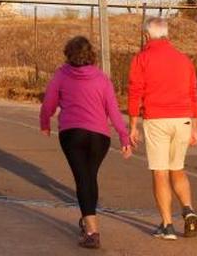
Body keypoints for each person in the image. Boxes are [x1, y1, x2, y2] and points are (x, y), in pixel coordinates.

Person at [39, 36, 131, 250]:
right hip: (100, 137)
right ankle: (87, 220)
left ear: (68, 53)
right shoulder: (102, 78)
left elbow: (48, 104)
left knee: (83, 179)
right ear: (91, 54)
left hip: (72, 134)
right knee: (90, 177)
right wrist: (124, 137)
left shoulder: (61, 75)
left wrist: (45, 123)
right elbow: (113, 111)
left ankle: (92, 231)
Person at [127, 17, 197, 240]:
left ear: (147, 35)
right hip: (183, 119)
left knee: (160, 172)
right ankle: (188, 210)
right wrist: (195, 126)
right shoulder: (183, 59)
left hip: (157, 119)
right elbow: (193, 93)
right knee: (178, 168)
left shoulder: (142, 59)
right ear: (166, 34)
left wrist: (133, 125)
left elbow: (134, 92)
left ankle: (167, 226)